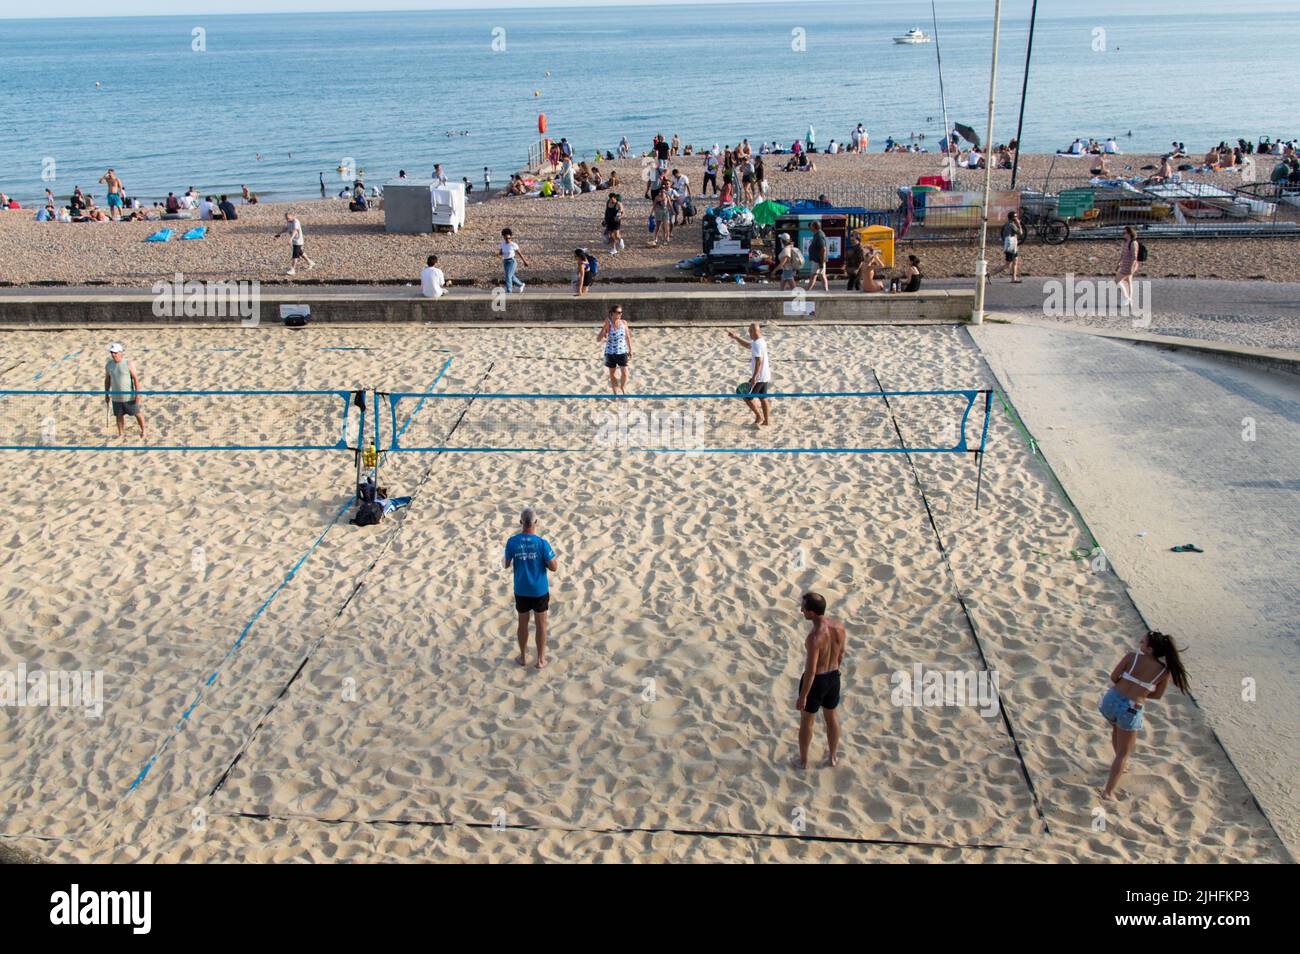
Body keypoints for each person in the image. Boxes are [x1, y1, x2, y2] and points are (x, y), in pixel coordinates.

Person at [1099, 631, 1189, 800]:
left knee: (1116, 729)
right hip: (1131, 706)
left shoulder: (1131, 657)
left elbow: (1113, 677)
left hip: (1110, 701)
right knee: (1124, 753)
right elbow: (1157, 695)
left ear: (1150, 649)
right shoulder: (1163, 671)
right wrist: (1139, 693)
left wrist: (1125, 686)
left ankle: (1120, 767)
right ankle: (1108, 792)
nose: (1139, 645)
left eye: (1142, 642)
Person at [794, 592, 846, 769]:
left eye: (804, 608)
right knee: (831, 716)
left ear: (812, 613)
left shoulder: (814, 638)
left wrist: (803, 696)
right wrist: (835, 669)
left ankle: (803, 760)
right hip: (834, 677)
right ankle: (832, 756)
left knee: (807, 720)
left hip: (817, 681)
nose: (802, 610)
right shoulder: (839, 627)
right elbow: (841, 654)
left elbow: (811, 671)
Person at [504, 507, 558, 669]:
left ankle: (523, 656)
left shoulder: (512, 541)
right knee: (541, 625)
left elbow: (506, 565)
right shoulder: (542, 543)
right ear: (536, 522)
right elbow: (554, 567)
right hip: (539, 590)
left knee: (523, 623)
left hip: (521, 589)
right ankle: (540, 659)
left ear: (521, 522)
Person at [727, 323, 771, 426]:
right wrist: (736, 337)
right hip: (765, 375)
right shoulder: (761, 341)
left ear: (753, 332)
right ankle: (767, 421)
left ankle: (759, 416)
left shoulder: (757, 344)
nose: (748, 333)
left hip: (759, 377)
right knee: (763, 398)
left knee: (746, 396)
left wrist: (754, 377)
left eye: (749, 331)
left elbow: (759, 361)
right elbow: (747, 345)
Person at [104, 342, 146, 440]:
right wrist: (106, 394)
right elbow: (107, 380)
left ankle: (143, 431)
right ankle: (121, 433)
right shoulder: (109, 365)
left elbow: (135, 379)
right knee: (119, 416)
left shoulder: (128, 363)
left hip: (129, 396)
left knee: (137, 413)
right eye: (111, 352)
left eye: (115, 352)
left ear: (120, 352)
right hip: (116, 397)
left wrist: (137, 394)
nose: (113, 354)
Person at [597, 304, 632, 394]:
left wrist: (630, 350)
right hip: (610, 352)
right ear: (612, 313)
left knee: (625, 373)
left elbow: (627, 337)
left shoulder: (624, 323)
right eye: (618, 312)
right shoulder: (608, 324)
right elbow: (598, 339)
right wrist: (605, 326)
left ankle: (623, 387)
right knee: (613, 374)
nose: (620, 314)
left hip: (622, 351)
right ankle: (615, 393)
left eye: (621, 312)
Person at [993, 210, 1024, 282]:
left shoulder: (1006, 224)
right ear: (1013, 218)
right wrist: (1019, 224)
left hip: (1011, 245)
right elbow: (1021, 233)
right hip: (1011, 246)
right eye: (1016, 217)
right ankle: (990, 274)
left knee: (1015, 261)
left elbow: (1003, 235)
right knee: (1007, 265)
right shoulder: (1012, 225)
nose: (1017, 218)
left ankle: (1014, 279)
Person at [498, 228, 528, 293]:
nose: (508, 239)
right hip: (505, 262)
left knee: (508, 276)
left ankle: (509, 291)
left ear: (511, 237)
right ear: (503, 237)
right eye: (506, 238)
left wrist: (524, 261)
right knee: (511, 276)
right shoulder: (502, 244)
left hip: (512, 262)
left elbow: (519, 253)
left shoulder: (513, 245)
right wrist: (498, 254)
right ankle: (521, 284)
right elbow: (501, 252)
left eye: (509, 238)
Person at [1116, 225, 1141, 305]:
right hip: (1125, 264)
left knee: (1117, 281)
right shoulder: (1126, 242)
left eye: (1125, 233)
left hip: (1129, 265)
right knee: (1128, 282)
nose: (1123, 234)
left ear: (1130, 233)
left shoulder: (1133, 243)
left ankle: (1126, 298)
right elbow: (1123, 254)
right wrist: (1119, 263)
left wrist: (1131, 267)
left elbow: (1134, 256)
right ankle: (1129, 300)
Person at [804, 221, 829, 292]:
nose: (809, 227)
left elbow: (823, 249)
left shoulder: (819, 235)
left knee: (813, 275)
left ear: (814, 227)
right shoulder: (816, 234)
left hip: (818, 260)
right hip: (818, 260)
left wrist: (821, 262)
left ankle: (807, 291)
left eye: (811, 225)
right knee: (821, 275)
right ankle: (826, 290)